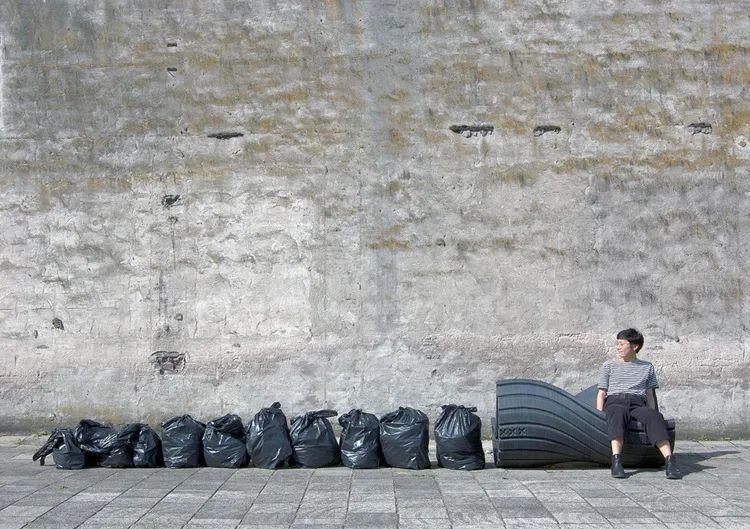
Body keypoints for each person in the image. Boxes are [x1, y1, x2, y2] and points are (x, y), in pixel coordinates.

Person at [596, 328, 680, 479]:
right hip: (615, 400)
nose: (618, 347)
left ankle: (670, 460)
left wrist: (653, 412)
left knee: (654, 416)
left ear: (635, 346)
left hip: (637, 402)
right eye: (617, 343)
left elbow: (650, 395)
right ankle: (616, 460)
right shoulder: (608, 366)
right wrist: (597, 414)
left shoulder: (647, 367)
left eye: (622, 344)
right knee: (617, 414)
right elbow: (602, 393)